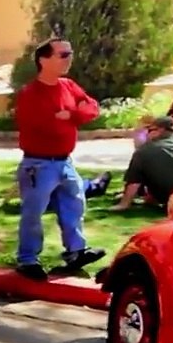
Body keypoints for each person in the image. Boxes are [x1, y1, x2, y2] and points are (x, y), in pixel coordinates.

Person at [12, 36, 107, 281]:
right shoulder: (30, 94)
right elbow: (46, 125)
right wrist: (67, 117)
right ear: (43, 60)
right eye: (63, 55)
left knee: (74, 206)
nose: (69, 59)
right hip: (38, 164)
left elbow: (92, 107)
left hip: (64, 161)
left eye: (70, 53)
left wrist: (72, 115)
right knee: (33, 213)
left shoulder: (68, 86)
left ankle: (76, 252)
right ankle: (28, 260)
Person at [110, 115, 173, 211]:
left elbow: (134, 183)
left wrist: (124, 204)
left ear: (158, 131)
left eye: (150, 130)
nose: (147, 134)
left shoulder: (144, 151)